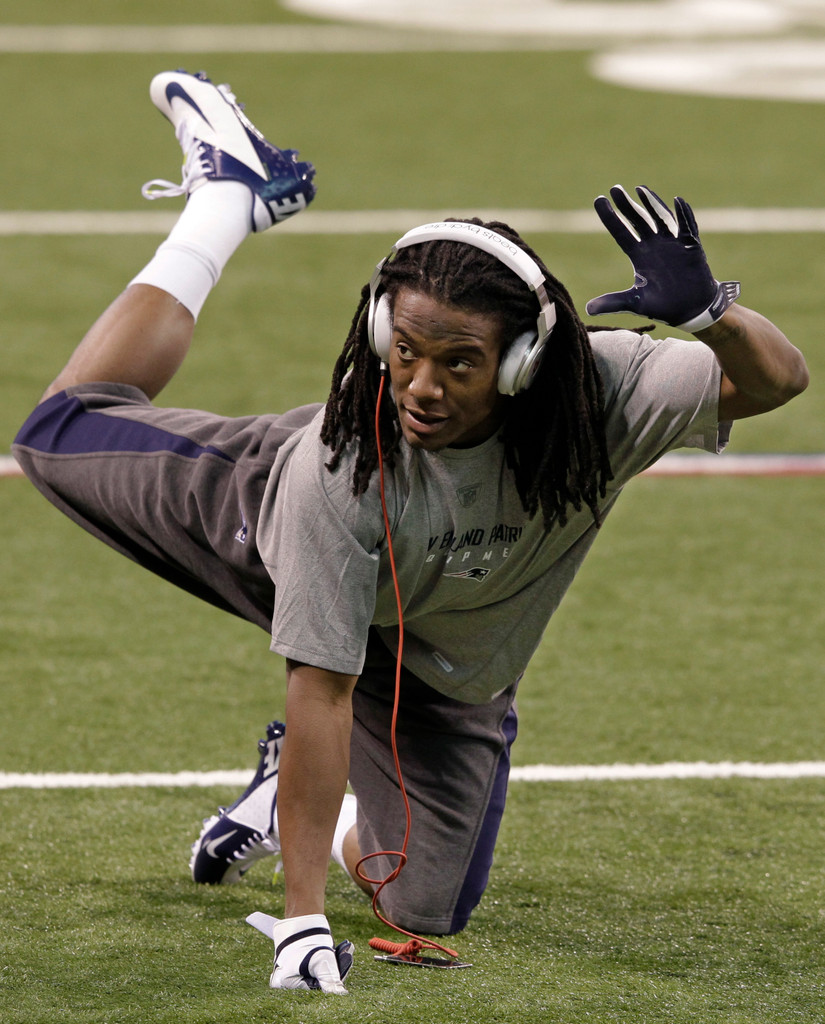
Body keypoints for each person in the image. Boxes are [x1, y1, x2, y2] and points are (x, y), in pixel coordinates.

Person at [12, 70, 808, 995]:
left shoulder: (601, 394)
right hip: (268, 522)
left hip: (443, 671)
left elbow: (775, 383)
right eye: (406, 353)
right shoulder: (335, 471)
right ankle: (228, 196)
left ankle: (281, 793)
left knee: (424, 909)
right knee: (56, 433)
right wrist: (302, 920)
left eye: (459, 363)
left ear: (520, 364)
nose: (422, 386)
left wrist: (714, 319)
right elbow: (321, 687)